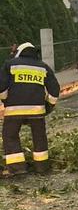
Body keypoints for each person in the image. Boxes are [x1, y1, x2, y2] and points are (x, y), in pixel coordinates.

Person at [0, 42, 60, 176]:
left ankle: (17, 168)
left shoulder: (10, 64)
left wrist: (6, 100)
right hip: (37, 111)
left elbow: (2, 87)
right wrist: (48, 106)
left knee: (10, 136)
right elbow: (54, 90)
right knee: (39, 137)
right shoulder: (43, 67)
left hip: (14, 110)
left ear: (20, 52)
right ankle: (42, 166)